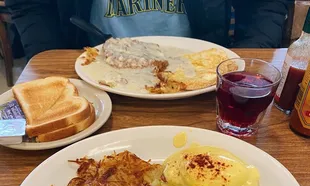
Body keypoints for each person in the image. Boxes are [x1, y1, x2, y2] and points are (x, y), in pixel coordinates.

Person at [7, 0, 290, 60]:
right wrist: (48, 59)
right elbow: (31, 4)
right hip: (91, 62)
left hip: (199, 68)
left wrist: (250, 58)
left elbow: (265, 3)